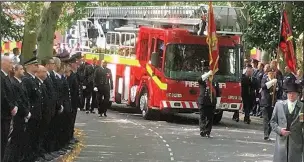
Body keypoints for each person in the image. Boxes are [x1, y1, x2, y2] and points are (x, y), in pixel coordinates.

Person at [3, 64, 30, 162]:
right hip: (17, 116)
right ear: (16, 71)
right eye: (21, 69)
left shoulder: (20, 82)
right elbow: (17, 100)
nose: (23, 71)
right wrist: (25, 112)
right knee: (13, 141)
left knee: (19, 140)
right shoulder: (13, 83)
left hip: (22, 115)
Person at [270, 83, 304, 162]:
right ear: (287, 94)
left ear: (298, 95)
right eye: (289, 93)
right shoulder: (279, 105)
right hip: (281, 142)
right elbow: (273, 121)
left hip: (296, 142)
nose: (291, 95)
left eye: (294, 93)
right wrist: (280, 130)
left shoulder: (302, 107)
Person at [22, 57, 43, 161]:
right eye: (35, 65)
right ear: (29, 66)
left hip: (37, 113)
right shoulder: (26, 80)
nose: (37, 66)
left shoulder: (33, 79)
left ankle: (33, 156)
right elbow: (27, 97)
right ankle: (28, 157)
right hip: (32, 113)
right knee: (29, 137)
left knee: (35, 136)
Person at [1, 56, 18, 159]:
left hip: (6, 115)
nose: (12, 65)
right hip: (3, 115)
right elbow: (3, 95)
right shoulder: (1, 77)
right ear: (3, 63)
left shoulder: (6, 77)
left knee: (4, 142)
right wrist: (11, 107)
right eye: (10, 63)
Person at [198, 68, 220, 138]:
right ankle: (202, 130)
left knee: (210, 118)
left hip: (211, 102)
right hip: (203, 101)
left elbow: (218, 93)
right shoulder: (203, 81)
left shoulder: (215, 82)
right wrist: (207, 74)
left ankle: (207, 131)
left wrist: (218, 103)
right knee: (202, 116)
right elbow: (200, 79)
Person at [260, 69, 281, 140]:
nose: (271, 75)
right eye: (270, 73)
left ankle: (268, 133)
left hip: (273, 103)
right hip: (265, 102)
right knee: (266, 119)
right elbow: (263, 87)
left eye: (273, 73)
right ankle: (265, 134)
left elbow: (279, 91)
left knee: (271, 120)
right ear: (268, 74)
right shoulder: (264, 80)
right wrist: (271, 82)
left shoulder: (276, 81)